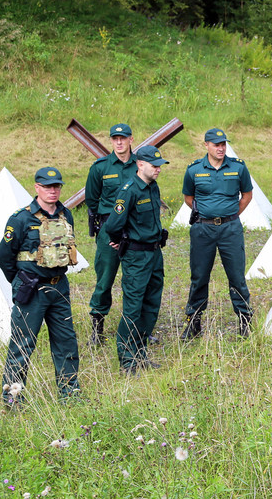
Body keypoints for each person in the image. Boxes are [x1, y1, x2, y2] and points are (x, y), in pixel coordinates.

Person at [0, 167, 81, 407]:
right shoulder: (21, 218)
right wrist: (21, 280)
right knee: (22, 345)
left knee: (66, 343)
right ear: (36, 188)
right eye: (47, 187)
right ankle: (12, 399)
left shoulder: (66, 215)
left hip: (59, 287)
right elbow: (3, 255)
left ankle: (70, 394)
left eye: (56, 186)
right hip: (32, 290)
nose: (53, 191)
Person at [179, 128, 255, 340]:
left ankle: (244, 323)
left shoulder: (238, 167)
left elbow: (247, 195)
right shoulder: (194, 170)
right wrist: (207, 214)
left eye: (223, 144)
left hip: (230, 229)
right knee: (199, 276)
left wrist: (229, 215)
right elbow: (188, 197)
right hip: (203, 229)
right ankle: (193, 323)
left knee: (237, 277)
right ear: (206, 145)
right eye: (216, 144)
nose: (221, 148)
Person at [103, 145, 169, 375]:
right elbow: (112, 224)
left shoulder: (153, 187)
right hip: (136, 256)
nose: (158, 169)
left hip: (154, 253)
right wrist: (117, 240)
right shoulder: (129, 190)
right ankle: (127, 359)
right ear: (140, 164)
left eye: (160, 165)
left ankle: (140, 354)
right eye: (154, 165)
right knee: (133, 308)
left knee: (151, 305)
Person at [83, 123, 137, 345]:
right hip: (108, 228)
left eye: (123, 138)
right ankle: (98, 328)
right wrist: (106, 227)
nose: (119, 142)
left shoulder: (140, 165)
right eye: (115, 138)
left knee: (136, 279)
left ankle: (137, 327)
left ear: (131, 139)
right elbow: (92, 199)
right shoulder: (100, 167)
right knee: (105, 278)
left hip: (135, 228)